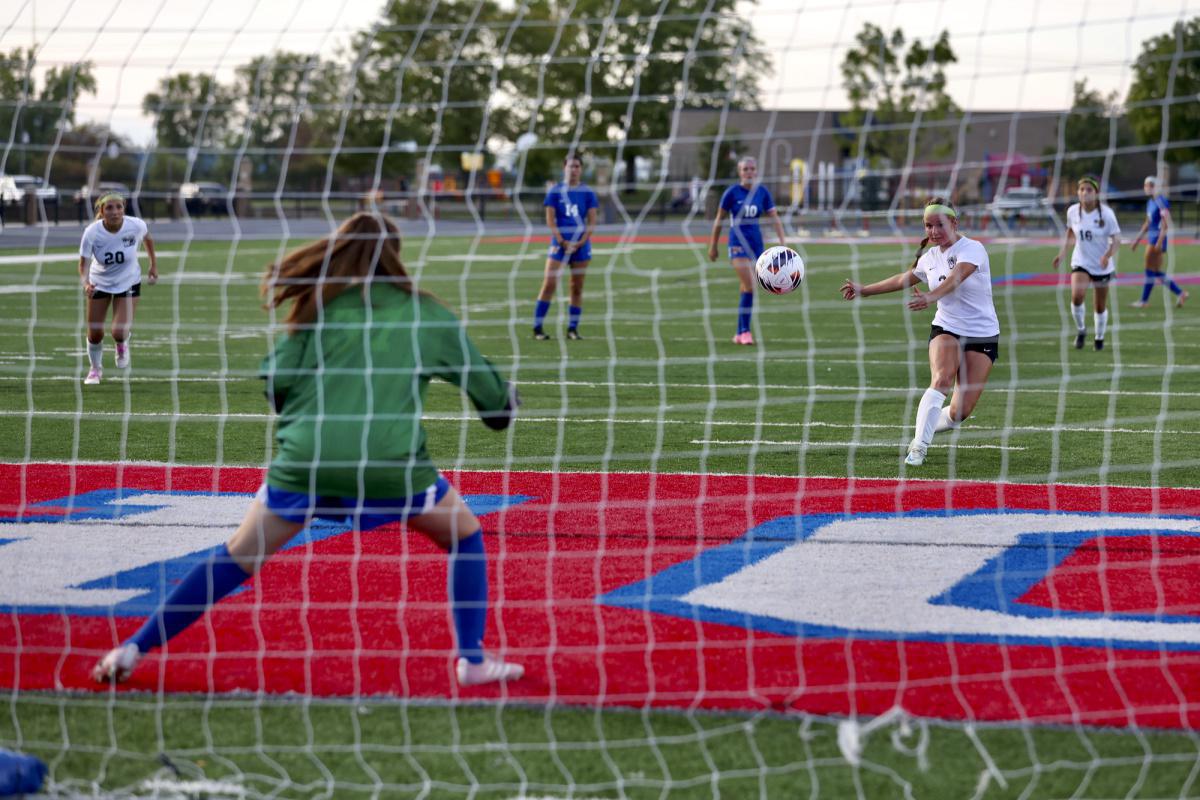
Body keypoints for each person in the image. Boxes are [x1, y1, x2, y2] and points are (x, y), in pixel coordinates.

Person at [92, 212, 524, 688]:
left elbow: (275, 387)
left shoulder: (318, 308)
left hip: (304, 464)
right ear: (395, 257)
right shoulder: (425, 312)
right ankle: (472, 661)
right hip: (390, 467)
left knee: (234, 559)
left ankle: (133, 648)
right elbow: (494, 409)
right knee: (464, 536)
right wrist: (505, 399)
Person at [840, 198, 999, 467]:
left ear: (954, 223)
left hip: (983, 334)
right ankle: (919, 447)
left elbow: (957, 276)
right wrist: (864, 289)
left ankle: (922, 427)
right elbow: (904, 279)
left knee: (960, 412)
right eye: (928, 225)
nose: (934, 231)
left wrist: (930, 296)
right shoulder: (929, 258)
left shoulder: (973, 248)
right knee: (941, 379)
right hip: (947, 328)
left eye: (940, 225)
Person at [77, 193, 158, 384]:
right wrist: (86, 284)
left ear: (124, 208)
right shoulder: (92, 232)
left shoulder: (136, 225)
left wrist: (153, 265)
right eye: (110, 208)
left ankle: (122, 345)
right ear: (102, 211)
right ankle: (95, 369)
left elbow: (148, 239)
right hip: (100, 283)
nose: (115, 212)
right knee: (95, 333)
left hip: (128, 281)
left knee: (118, 332)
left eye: (119, 207)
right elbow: (83, 264)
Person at [706, 156, 788, 345]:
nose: (749, 172)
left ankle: (738, 332)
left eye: (752, 169)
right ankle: (745, 332)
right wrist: (713, 245)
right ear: (739, 172)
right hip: (737, 245)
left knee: (747, 288)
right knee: (750, 284)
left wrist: (783, 243)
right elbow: (719, 220)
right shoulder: (732, 193)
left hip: (756, 246)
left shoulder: (762, 193)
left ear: (756, 171)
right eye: (745, 169)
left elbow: (774, 218)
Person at [533, 154, 599, 341]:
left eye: (577, 166)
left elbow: (592, 221)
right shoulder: (555, 191)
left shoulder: (587, 192)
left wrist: (580, 242)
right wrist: (562, 241)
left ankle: (572, 329)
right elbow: (550, 220)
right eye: (571, 166)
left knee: (576, 287)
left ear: (581, 169)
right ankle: (538, 328)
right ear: (564, 168)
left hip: (581, 246)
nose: (574, 169)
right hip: (559, 244)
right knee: (549, 285)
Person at [1052, 175, 1121, 350]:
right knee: (1077, 296)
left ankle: (1099, 337)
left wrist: (1107, 255)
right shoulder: (1073, 211)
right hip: (1080, 261)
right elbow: (1070, 233)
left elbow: (1117, 239)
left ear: (1096, 193)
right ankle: (1081, 330)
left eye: (1089, 190)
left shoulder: (1107, 214)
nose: (1085, 193)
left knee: (1099, 305)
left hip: (1101, 265)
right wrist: (1062, 254)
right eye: (1081, 189)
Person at [1130, 175, 1188, 308]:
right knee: (1155, 271)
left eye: (1150, 185)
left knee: (1149, 269)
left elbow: (1165, 225)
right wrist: (1137, 240)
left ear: (1156, 187)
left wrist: (1159, 242)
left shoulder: (1162, 201)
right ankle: (1180, 293)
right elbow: (1147, 223)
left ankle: (1144, 301)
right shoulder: (1150, 202)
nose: (1147, 188)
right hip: (1152, 239)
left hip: (1157, 240)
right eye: (1146, 185)